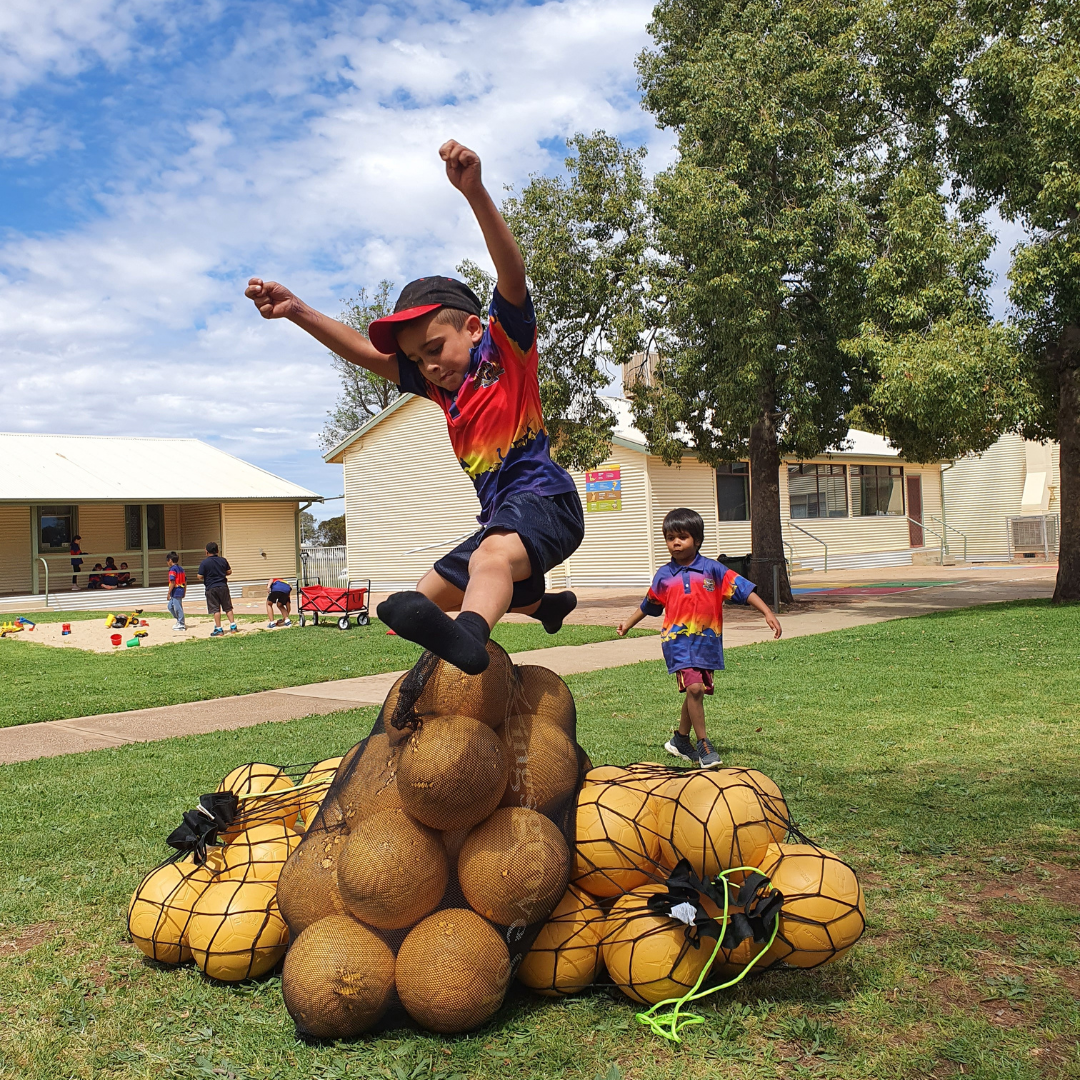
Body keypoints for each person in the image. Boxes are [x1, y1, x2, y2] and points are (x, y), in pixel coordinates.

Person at [245, 139, 582, 674]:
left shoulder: (505, 350)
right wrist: (296, 310)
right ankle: (546, 604)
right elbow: (363, 351)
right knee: (421, 599)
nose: (427, 367)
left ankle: (473, 640)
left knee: (491, 560)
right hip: (501, 516)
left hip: (545, 500)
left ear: (473, 329)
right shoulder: (441, 390)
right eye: (416, 362)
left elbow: (512, 274)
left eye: (433, 350)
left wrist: (474, 193)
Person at [617, 508, 783, 768]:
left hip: (707, 643)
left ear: (696, 538)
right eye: (670, 537)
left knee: (697, 692)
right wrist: (627, 623)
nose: (675, 543)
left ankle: (681, 740)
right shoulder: (664, 575)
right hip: (677, 643)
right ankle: (704, 745)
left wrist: (767, 612)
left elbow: (743, 589)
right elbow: (649, 604)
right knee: (694, 688)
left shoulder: (713, 570)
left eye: (682, 537)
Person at [197, 541, 237, 636]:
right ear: (217, 550)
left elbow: (200, 576)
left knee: (215, 609)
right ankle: (233, 626)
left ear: (206, 551)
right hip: (223, 586)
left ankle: (219, 629)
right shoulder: (223, 560)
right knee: (228, 607)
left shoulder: (205, 563)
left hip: (211, 588)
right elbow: (229, 571)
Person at [167, 552, 187, 631]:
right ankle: (179, 619)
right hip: (179, 590)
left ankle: (181, 623)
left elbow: (173, 582)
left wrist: (168, 593)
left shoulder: (172, 569)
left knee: (178, 607)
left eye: (167, 561)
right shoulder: (181, 569)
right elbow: (185, 581)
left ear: (170, 560)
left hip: (176, 590)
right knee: (170, 606)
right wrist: (184, 591)